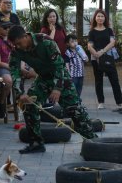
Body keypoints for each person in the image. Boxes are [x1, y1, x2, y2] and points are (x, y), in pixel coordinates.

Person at [8, 25, 97, 154]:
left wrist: (57, 88)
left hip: (60, 77)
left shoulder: (46, 41)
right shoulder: (16, 50)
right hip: (43, 79)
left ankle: (92, 142)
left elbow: (59, 66)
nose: (18, 46)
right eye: (15, 44)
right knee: (28, 105)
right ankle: (36, 143)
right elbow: (14, 72)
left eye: (19, 43)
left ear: (25, 36)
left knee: (74, 109)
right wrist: (20, 94)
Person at [87, 9, 122, 110]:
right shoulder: (92, 32)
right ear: (95, 18)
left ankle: (119, 102)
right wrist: (96, 54)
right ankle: (101, 102)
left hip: (107, 57)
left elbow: (112, 43)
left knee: (114, 80)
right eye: (98, 16)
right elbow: (90, 46)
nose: (100, 18)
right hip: (96, 59)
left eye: (102, 16)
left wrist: (102, 52)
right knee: (98, 81)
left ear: (105, 18)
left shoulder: (109, 30)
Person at [0, 17, 13, 118]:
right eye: (5, 27)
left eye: (9, 27)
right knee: (8, 80)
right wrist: (13, 67)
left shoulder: (11, 38)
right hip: (0, 67)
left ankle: (31, 106)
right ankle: (1, 105)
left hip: (10, 66)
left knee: (34, 72)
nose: (7, 29)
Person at [65, 34, 88, 98]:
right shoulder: (68, 52)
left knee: (79, 88)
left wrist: (81, 53)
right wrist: (68, 74)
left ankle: (78, 101)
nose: (75, 43)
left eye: (75, 41)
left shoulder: (80, 49)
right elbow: (67, 64)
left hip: (81, 74)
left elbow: (86, 60)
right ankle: (73, 102)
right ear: (68, 44)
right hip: (73, 75)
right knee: (73, 89)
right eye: (72, 42)